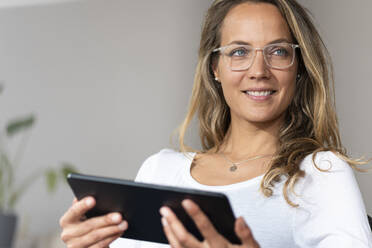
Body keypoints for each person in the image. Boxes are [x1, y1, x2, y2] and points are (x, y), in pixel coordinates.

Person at [59, 0, 372, 247]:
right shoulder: (159, 170)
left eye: (278, 51)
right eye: (239, 52)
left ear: (298, 67)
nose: (258, 70)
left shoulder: (320, 173)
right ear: (215, 68)